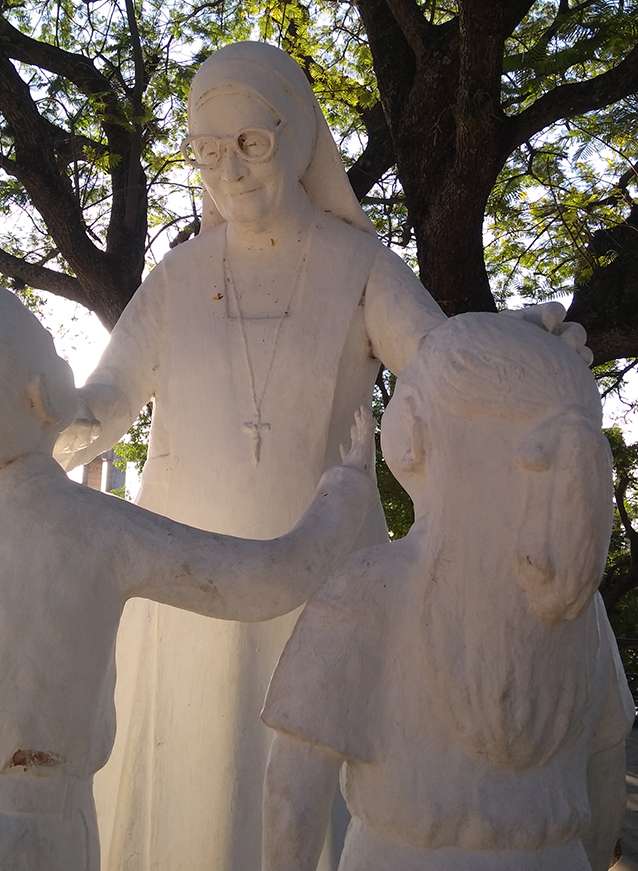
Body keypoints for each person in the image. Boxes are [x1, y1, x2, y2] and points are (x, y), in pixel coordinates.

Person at [55, 42, 591, 871]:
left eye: (251, 144)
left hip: (326, 587)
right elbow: (103, 403)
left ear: (297, 136)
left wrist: (516, 345)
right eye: (206, 152)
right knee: (194, 768)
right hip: (189, 584)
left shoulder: (361, 266)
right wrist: (22, 433)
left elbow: (446, 365)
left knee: (307, 764)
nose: (228, 171)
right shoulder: (176, 278)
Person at [0, 281, 378, 871]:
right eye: (52, 348)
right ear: (40, 395)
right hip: (15, 834)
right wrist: (343, 496)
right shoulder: (85, 527)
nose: (69, 360)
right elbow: (265, 581)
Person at [262, 314, 635, 871]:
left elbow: (292, 802)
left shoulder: (369, 589)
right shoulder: (583, 615)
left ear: (415, 434)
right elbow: (605, 781)